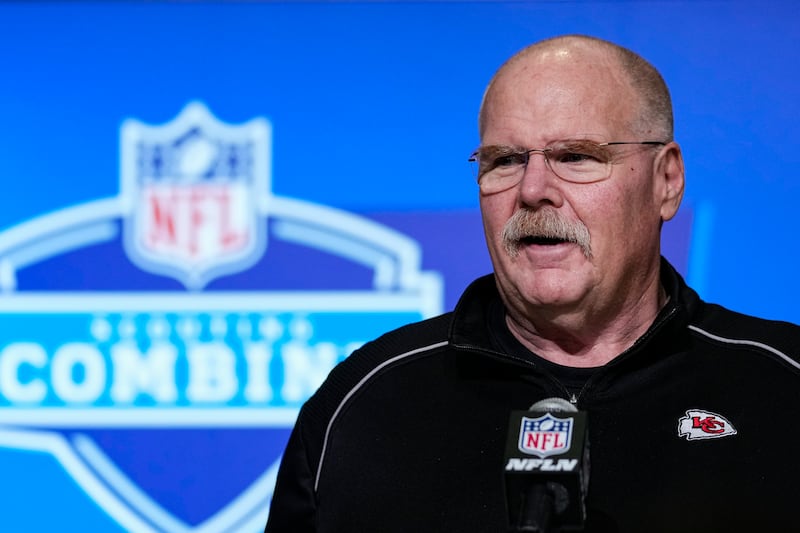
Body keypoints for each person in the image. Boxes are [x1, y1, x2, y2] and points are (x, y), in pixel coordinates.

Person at [264, 34, 800, 532]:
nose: (534, 189)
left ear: (666, 181)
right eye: (505, 161)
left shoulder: (781, 386)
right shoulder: (365, 403)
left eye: (576, 157)